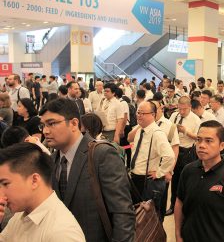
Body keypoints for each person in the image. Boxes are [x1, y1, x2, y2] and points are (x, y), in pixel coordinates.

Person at [39, 98, 135, 241]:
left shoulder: (101, 154)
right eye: (43, 125)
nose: (45, 131)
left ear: (74, 123)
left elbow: (122, 213)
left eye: (52, 123)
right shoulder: (52, 161)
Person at [174, 120, 224, 242]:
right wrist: (178, 234)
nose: (201, 145)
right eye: (199, 140)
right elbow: (180, 202)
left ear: (222, 145)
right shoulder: (188, 170)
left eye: (208, 141)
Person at [0, 142, 85, 241]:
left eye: (5, 184)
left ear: (34, 180)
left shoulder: (61, 232)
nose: (1, 193)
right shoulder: (20, 216)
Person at [129, 101, 175, 219]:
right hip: (136, 178)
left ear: (153, 115)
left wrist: (159, 173)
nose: (139, 115)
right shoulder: (140, 130)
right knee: (138, 215)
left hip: (147, 181)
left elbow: (169, 156)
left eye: (143, 113)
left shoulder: (157, 133)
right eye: (138, 112)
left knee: (149, 217)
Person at [166, 96, 201, 216]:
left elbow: (198, 137)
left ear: (190, 107)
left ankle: (186, 207)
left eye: (184, 109)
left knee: (186, 180)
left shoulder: (195, 119)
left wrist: (185, 131)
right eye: (179, 109)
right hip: (174, 149)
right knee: (174, 179)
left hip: (187, 152)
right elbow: (168, 130)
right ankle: (172, 205)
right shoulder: (174, 115)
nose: (181, 112)